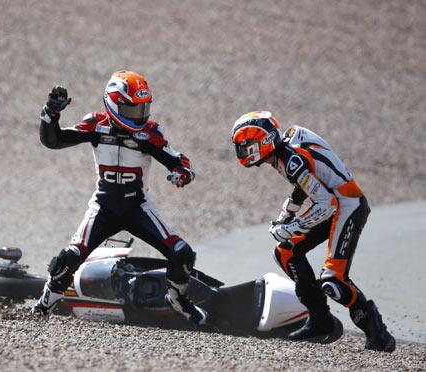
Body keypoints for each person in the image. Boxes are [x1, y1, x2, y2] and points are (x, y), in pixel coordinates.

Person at [30, 70, 207, 326]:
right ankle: (43, 305)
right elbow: (53, 141)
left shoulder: (149, 133)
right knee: (66, 260)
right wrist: (50, 114)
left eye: (143, 109)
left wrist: (181, 174)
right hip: (103, 207)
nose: (140, 116)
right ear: (113, 104)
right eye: (133, 110)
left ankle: (177, 299)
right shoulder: (95, 125)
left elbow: (180, 162)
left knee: (182, 254)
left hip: (138, 207)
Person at [230, 111, 395, 352]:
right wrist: (286, 214)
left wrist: (290, 226)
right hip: (335, 204)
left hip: (348, 206)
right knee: (286, 252)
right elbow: (305, 185)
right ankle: (320, 321)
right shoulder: (283, 152)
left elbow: (326, 204)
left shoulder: (291, 158)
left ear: (264, 142)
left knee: (333, 281)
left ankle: (378, 334)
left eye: (246, 146)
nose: (242, 152)